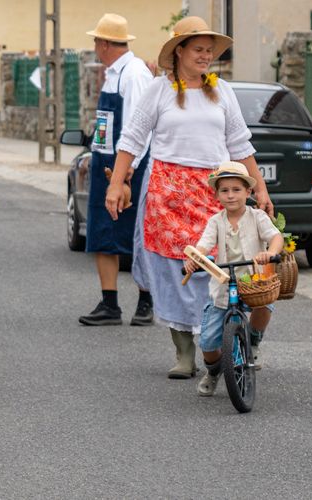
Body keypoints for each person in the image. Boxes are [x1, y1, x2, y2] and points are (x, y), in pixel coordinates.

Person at [106, 16, 272, 379]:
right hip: (168, 193)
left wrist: (258, 185)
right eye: (198, 49)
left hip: (216, 192)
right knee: (174, 271)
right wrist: (116, 184)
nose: (205, 56)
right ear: (179, 51)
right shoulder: (159, 90)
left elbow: (239, 144)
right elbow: (132, 139)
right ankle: (184, 352)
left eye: (209, 51)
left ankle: (231, 341)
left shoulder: (221, 90)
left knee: (221, 267)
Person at [76, 14, 155, 327]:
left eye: (97, 41)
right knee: (101, 232)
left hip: (127, 165)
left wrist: (127, 172)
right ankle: (110, 303)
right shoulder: (113, 73)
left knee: (136, 234)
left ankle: (146, 301)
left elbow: (140, 127)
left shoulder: (134, 74)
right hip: (105, 160)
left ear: (106, 44)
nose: (95, 46)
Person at [184, 162, 283, 396]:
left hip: (253, 280)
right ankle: (214, 370)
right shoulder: (215, 221)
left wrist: (270, 253)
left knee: (265, 305)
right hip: (223, 286)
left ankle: (254, 341)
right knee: (208, 343)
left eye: (236, 190)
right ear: (217, 194)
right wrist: (195, 259)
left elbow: (275, 237)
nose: (230, 195)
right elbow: (203, 246)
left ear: (248, 192)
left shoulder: (257, 216)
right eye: (225, 190)